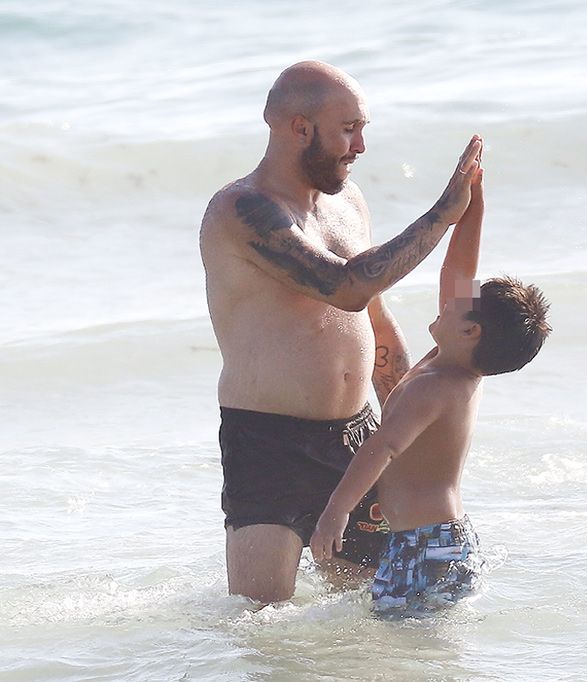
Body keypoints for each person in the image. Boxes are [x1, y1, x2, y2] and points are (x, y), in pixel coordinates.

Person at [199, 59, 484, 603]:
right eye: (348, 129)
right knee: (263, 627)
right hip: (268, 442)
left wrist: (409, 416)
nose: (359, 147)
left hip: (356, 436)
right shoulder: (242, 209)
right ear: (298, 128)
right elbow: (345, 286)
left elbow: (372, 313)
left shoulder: (348, 203)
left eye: (362, 129)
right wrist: (443, 214)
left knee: (370, 616)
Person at [310, 162, 551, 614]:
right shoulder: (453, 364)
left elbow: (381, 447)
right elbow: (458, 270)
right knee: (413, 645)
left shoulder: (437, 385)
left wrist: (336, 511)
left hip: (424, 545)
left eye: (461, 304)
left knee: (402, 644)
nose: (451, 296)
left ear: (472, 331)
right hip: (440, 539)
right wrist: (473, 201)